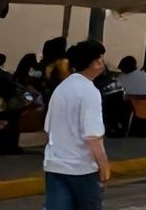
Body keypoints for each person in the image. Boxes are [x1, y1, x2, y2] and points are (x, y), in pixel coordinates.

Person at [42, 40, 110, 210]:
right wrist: (104, 165)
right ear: (96, 62)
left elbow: (48, 128)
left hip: (55, 164)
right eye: (100, 57)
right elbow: (93, 136)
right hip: (81, 168)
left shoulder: (61, 88)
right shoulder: (90, 91)